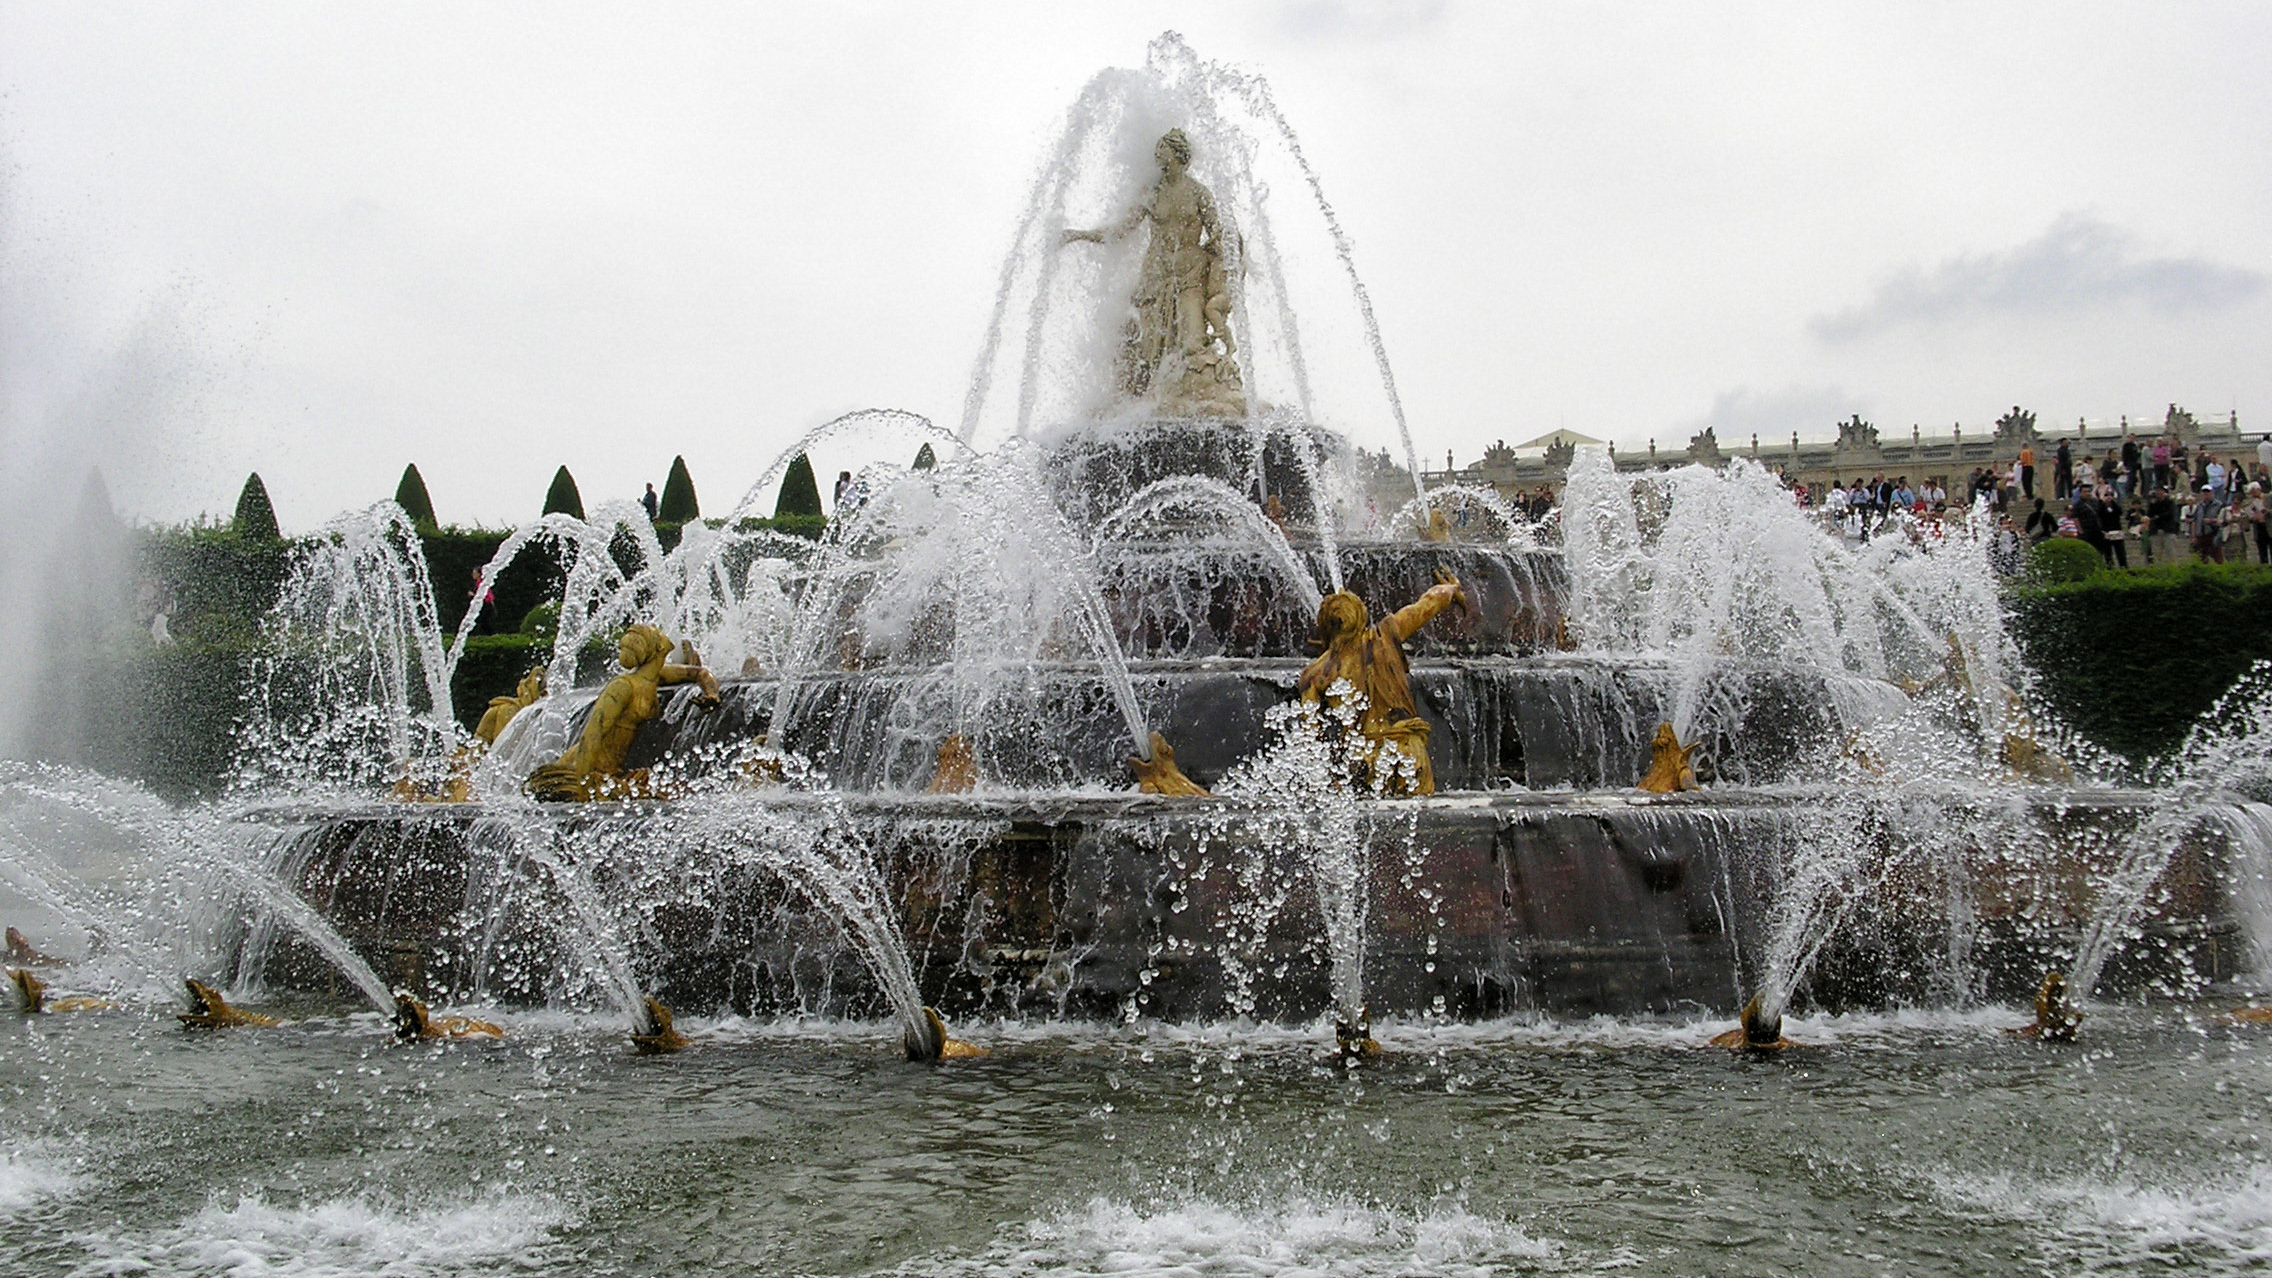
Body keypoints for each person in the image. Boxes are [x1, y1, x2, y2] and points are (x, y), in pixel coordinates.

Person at [1298, 574, 1463, 796]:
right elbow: (1430, 601)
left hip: (1361, 759)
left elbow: (1310, 739)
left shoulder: (1314, 674)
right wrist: (1451, 589)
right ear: (1361, 617)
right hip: (1406, 750)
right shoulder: (1385, 636)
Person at [2190, 483, 2226, 563]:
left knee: (2218, 557)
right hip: (2200, 534)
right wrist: (2193, 536)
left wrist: (2212, 520)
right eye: (2204, 492)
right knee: (2201, 558)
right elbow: (2194, 521)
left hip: (2212, 533)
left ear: (2212, 492)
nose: (2206, 494)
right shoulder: (2199, 506)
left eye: (2208, 492)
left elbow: (2222, 519)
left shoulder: (2218, 505)